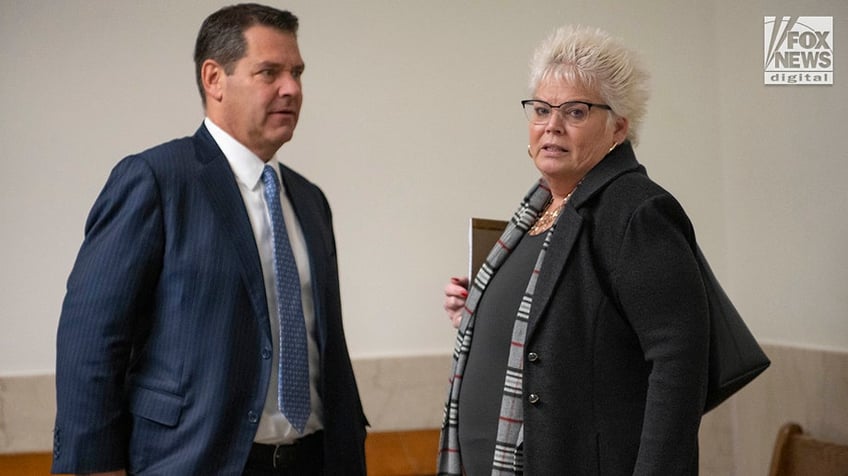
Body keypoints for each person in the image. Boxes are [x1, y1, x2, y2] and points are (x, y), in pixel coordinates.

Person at [52, 4, 367, 475]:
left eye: (297, 73)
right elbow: (91, 338)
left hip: (314, 459)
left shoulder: (309, 200)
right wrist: (94, 465)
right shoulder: (156, 180)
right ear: (214, 79)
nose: (292, 89)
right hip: (195, 461)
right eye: (269, 72)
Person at [438, 25, 709, 475]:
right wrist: (479, 313)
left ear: (618, 127)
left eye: (576, 112)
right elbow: (555, 327)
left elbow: (678, 369)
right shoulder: (540, 208)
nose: (552, 126)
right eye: (541, 110)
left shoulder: (637, 211)